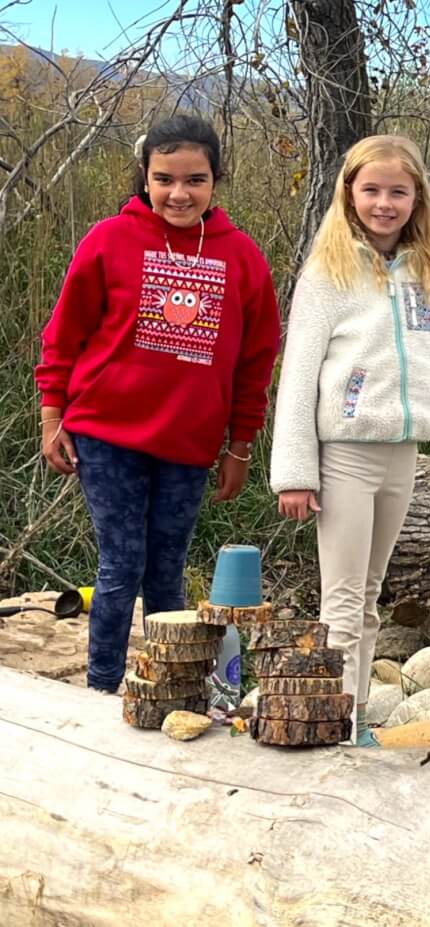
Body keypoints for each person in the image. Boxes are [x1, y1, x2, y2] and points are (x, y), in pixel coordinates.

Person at [35, 114, 280, 694]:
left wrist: (240, 446)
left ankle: (168, 690)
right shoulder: (110, 240)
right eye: (164, 178)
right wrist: (51, 416)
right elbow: (63, 336)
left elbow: (255, 363)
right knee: (121, 568)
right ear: (144, 177)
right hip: (107, 435)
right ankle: (101, 690)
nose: (179, 193)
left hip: (189, 445)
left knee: (167, 574)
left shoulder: (242, 258)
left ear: (216, 180)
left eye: (194, 179)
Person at [270, 134, 430, 746]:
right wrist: (295, 471)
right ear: (349, 194)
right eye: (371, 190)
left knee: (370, 592)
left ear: (418, 198)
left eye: (398, 191)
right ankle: (335, 725)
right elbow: (298, 374)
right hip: (343, 454)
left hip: (402, 453)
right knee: (342, 597)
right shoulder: (328, 274)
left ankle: (357, 715)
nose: (384, 203)